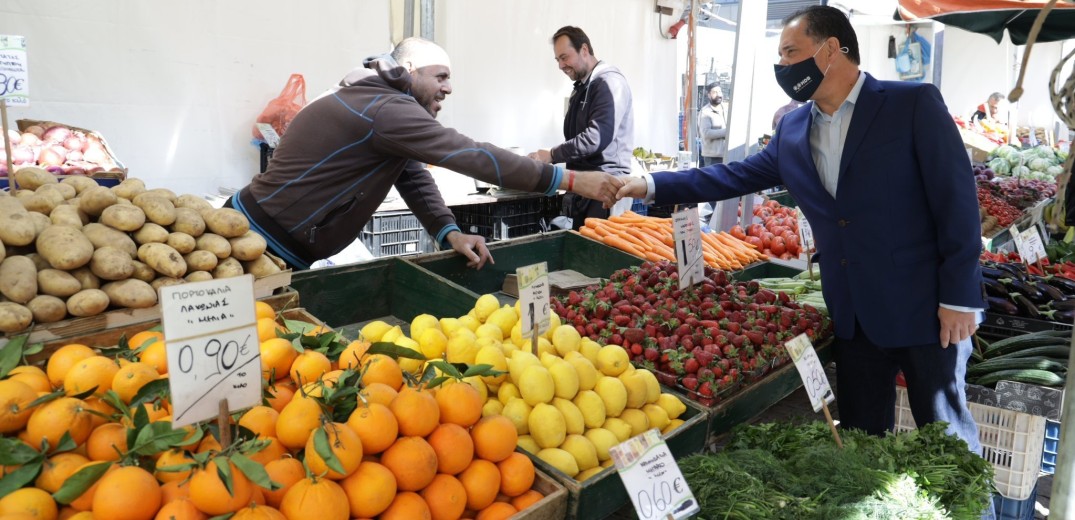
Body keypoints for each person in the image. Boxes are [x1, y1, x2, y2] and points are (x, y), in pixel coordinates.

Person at [616, 6, 985, 453]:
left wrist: (960, 297)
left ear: (831, 50)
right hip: (852, 315)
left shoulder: (911, 104)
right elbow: (731, 176)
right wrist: (650, 183)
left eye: (790, 52)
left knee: (948, 446)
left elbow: (957, 201)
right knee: (861, 443)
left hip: (926, 310)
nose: (783, 67)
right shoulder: (792, 128)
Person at [228, 37, 623, 270]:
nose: (449, 89)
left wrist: (446, 230)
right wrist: (565, 178)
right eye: (442, 76)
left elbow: (412, 174)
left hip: (271, 242)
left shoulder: (381, 105)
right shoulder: (387, 108)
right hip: (253, 243)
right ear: (411, 70)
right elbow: (468, 152)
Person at [528, 26, 634, 230]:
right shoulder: (583, 87)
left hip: (607, 188)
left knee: (601, 255)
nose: (561, 65)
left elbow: (596, 137)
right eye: (557, 60)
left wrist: (552, 154)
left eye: (564, 57)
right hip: (586, 187)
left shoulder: (609, 83)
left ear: (584, 50)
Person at [697, 83, 727, 167]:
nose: (719, 95)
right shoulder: (705, 112)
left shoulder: (726, 109)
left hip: (727, 154)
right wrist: (727, 132)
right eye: (715, 92)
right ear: (709, 95)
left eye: (720, 91)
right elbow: (706, 133)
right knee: (713, 180)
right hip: (713, 157)